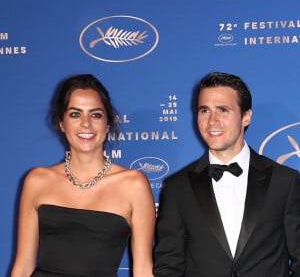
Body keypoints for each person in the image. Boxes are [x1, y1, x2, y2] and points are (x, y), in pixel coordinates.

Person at [154, 72, 300, 277]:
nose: (212, 121)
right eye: (204, 110)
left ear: (246, 116)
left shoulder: (285, 181)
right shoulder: (178, 187)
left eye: (223, 110)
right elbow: (169, 265)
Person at [11, 74, 155, 277]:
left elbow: (143, 269)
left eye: (95, 115)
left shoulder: (133, 184)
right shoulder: (37, 180)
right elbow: (23, 266)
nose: (85, 124)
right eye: (75, 114)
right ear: (62, 123)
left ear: (107, 124)